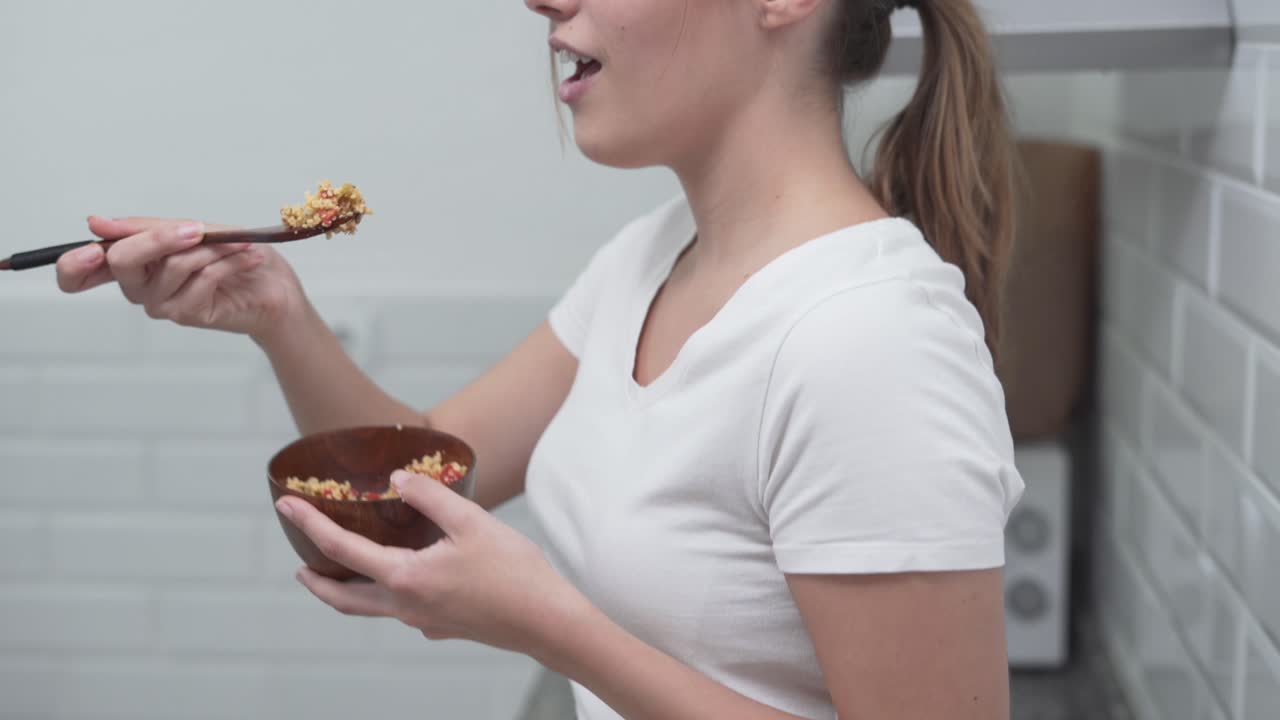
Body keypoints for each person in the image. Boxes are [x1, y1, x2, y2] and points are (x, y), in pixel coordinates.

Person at [56, 0, 1024, 717]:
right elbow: (433, 461)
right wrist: (274, 310)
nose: (539, 1)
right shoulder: (647, 257)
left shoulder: (867, 340)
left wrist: (548, 625)